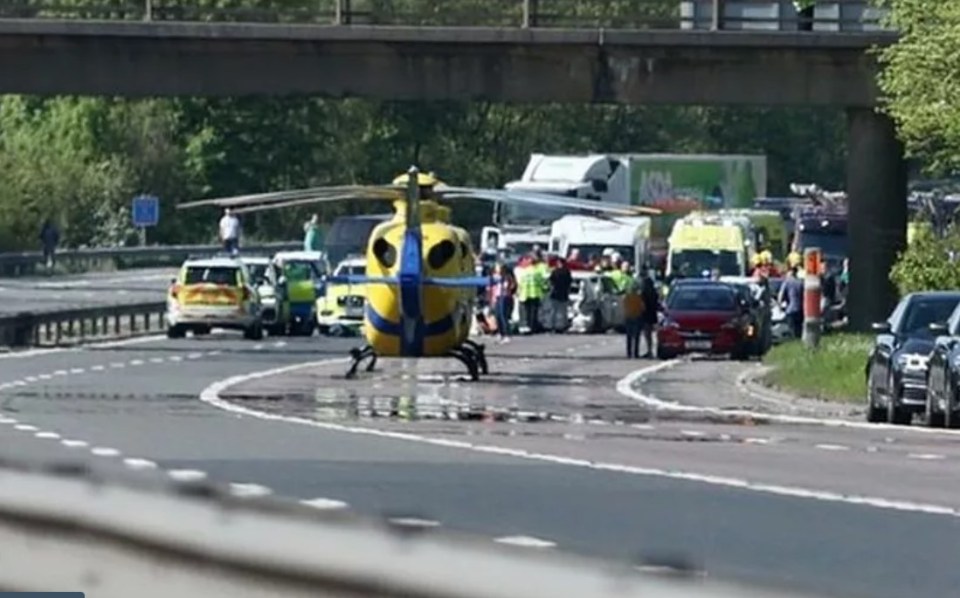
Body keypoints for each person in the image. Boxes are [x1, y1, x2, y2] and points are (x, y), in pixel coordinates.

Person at [489, 262, 517, 343]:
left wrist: (509, 291)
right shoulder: (494, 277)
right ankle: (500, 333)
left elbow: (512, 286)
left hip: (505, 297)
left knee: (503, 316)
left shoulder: (507, 277)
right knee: (497, 316)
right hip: (497, 297)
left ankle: (506, 334)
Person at [778, 266, 804, 339]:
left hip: (790, 310)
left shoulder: (787, 282)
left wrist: (779, 306)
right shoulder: (800, 282)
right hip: (800, 309)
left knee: (791, 330)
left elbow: (781, 295)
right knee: (799, 330)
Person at [547, 257, 572, 333]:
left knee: (558, 311)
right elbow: (569, 282)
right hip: (560, 293)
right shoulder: (565, 272)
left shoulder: (556, 272)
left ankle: (555, 326)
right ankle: (557, 326)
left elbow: (550, 282)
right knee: (559, 311)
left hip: (558, 293)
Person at [623, 279, 645, 359]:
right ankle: (635, 353)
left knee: (629, 337)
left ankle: (629, 353)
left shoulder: (627, 297)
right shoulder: (638, 298)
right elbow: (643, 308)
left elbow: (624, 307)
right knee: (636, 337)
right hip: (636, 317)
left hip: (628, 317)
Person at [639, 274, 660, 358]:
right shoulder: (654, 293)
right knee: (652, 334)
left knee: (647, 334)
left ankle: (649, 351)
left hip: (646, 315)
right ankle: (651, 350)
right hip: (653, 315)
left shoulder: (644, 294)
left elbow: (642, 305)